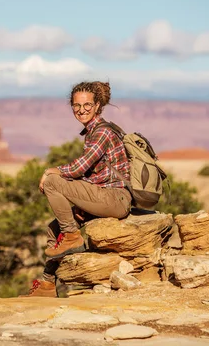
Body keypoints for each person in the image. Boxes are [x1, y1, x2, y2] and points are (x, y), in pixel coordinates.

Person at [22, 80, 132, 297]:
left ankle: (72, 236)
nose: (81, 110)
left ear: (98, 105)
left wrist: (51, 171)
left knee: (53, 181)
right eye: (76, 106)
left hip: (115, 198)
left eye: (87, 105)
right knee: (54, 227)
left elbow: (79, 167)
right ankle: (47, 285)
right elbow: (90, 174)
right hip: (103, 196)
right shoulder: (93, 131)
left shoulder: (102, 132)